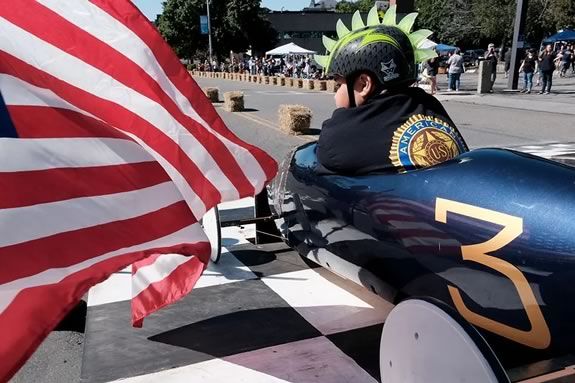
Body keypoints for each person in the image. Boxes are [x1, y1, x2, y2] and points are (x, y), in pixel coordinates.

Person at [313, 5, 468, 175]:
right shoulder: (429, 104)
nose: (335, 95)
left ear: (364, 84)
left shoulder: (340, 134)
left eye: (338, 85)